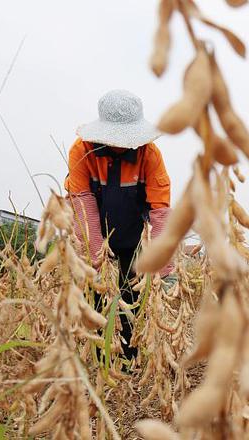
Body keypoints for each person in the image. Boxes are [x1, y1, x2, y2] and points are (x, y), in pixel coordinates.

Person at [64, 89, 173, 361]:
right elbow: (82, 202)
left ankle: (128, 358)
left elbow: (160, 211)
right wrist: (96, 256)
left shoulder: (150, 155)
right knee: (96, 297)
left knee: (130, 297)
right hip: (93, 233)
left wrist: (161, 264)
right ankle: (100, 357)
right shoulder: (81, 151)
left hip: (133, 236)